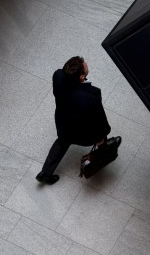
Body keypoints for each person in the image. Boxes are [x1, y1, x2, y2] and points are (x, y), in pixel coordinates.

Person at [36, 56, 114, 184]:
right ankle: (101, 158)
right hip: (83, 134)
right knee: (101, 140)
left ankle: (45, 173)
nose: (86, 63)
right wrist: (101, 138)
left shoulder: (58, 76)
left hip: (64, 124)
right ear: (82, 77)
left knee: (62, 142)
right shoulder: (91, 97)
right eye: (85, 65)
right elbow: (99, 122)